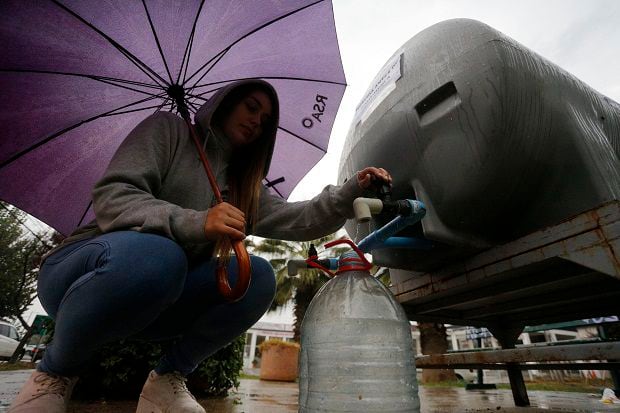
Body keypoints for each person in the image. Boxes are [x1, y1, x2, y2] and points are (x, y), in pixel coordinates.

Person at [8, 80, 392, 413]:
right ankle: (53, 375)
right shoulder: (168, 131)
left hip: (159, 297)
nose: (257, 121)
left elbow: (303, 219)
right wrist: (195, 221)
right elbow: (113, 196)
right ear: (224, 103)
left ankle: (166, 380)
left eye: (265, 120)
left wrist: (350, 191)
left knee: (254, 275)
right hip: (83, 273)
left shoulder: (242, 185)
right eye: (251, 107)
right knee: (163, 255)